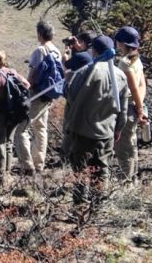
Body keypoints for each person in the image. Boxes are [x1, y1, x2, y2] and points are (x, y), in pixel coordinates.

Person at [63, 35, 130, 205]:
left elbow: (71, 96)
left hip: (82, 129)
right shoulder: (120, 75)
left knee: (79, 169)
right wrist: (118, 129)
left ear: (94, 50)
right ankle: (98, 206)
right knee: (102, 169)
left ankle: (79, 206)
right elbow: (123, 108)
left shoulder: (87, 71)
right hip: (106, 131)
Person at [14, 21, 63, 176]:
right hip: (49, 94)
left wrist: (24, 88)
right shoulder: (57, 51)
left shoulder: (39, 50)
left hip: (36, 94)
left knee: (21, 130)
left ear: (40, 33)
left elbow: (32, 76)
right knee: (41, 129)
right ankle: (39, 163)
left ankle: (27, 166)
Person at [0, 47, 31, 186]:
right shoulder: (12, 72)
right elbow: (27, 84)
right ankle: (8, 173)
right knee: (9, 143)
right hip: (14, 114)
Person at [113, 26, 148, 183]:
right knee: (132, 145)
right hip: (134, 105)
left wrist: (138, 109)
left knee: (123, 146)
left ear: (122, 43)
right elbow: (142, 86)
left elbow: (133, 87)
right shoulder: (137, 59)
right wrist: (139, 106)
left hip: (128, 107)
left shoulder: (124, 63)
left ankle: (124, 182)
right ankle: (132, 178)